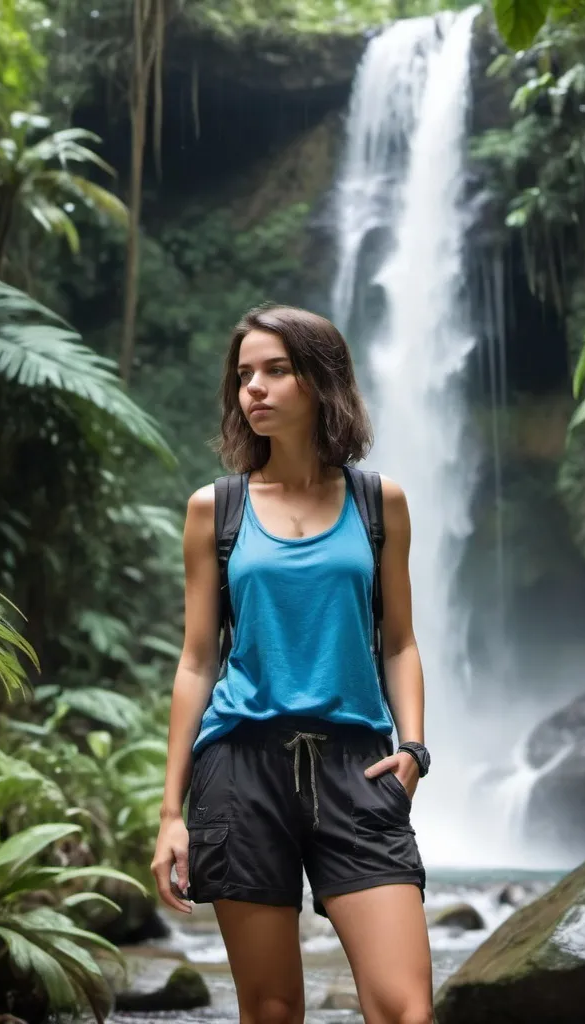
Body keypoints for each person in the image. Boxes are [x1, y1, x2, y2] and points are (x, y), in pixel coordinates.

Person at [151, 304, 433, 1024]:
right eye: (245, 375)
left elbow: (398, 641)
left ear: (320, 379)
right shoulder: (216, 510)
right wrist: (169, 813)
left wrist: (413, 751)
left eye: (276, 370)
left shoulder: (379, 504)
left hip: (357, 769)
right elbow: (195, 662)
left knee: (407, 1010)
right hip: (240, 771)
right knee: (273, 1010)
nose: (256, 388)